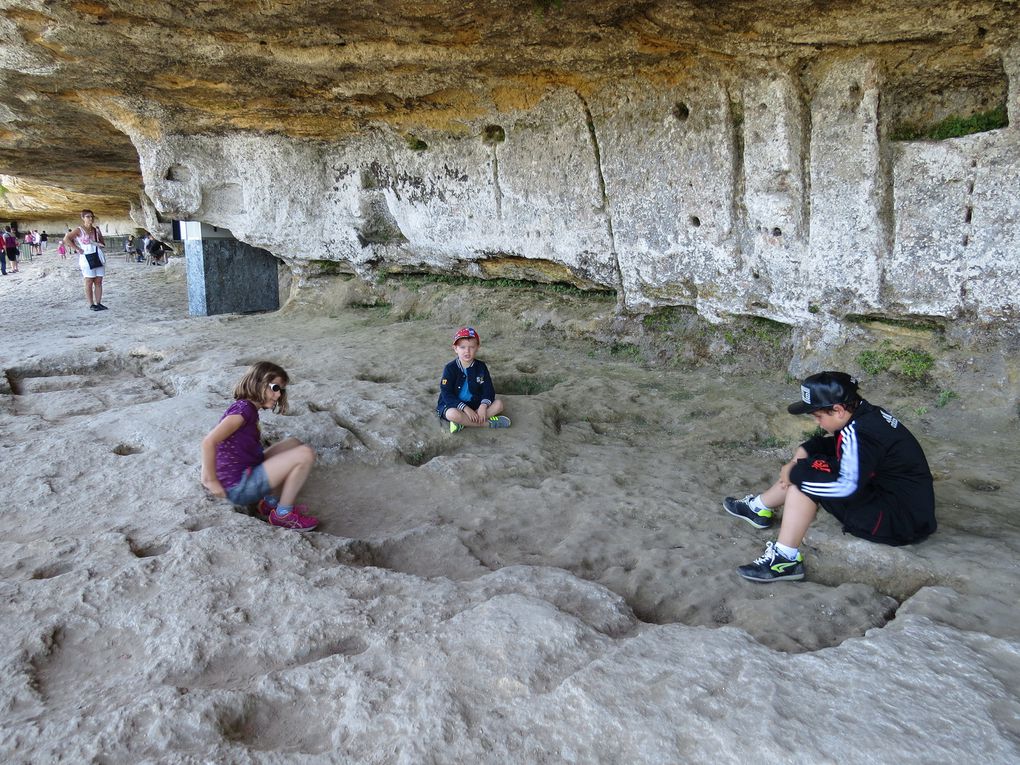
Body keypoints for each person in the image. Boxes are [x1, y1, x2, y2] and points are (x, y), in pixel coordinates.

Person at [724, 371, 936, 583]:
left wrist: (797, 474)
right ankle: (758, 507)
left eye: (818, 416)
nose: (818, 423)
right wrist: (806, 449)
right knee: (809, 463)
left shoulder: (861, 433)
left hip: (896, 522)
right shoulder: (866, 416)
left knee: (804, 482)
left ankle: (784, 560)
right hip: (908, 510)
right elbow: (843, 448)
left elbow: (846, 487)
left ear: (838, 410)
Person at [201, 361, 320, 531]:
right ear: (258, 383)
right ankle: (283, 515)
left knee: (293, 444)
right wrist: (210, 480)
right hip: (238, 486)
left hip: (245, 470)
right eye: (275, 388)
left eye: (281, 390)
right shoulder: (244, 411)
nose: (278, 395)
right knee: (305, 454)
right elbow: (208, 442)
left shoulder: (246, 408)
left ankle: (268, 503)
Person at [436, 326, 511, 433]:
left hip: (475, 404)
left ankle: (463, 422)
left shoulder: (481, 366)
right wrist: (465, 409)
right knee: (452, 414)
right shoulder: (450, 368)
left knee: (499, 405)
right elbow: (446, 393)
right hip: (454, 405)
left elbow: (488, 389)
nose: (467, 351)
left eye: (471, 347)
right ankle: (486, 423)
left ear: (477, 347)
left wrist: (483, 406)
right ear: (455, 348)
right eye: (462, 347)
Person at [63, 209, 108, 311]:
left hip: (97, 254)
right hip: (86, 255)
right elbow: (67, 239)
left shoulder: (96, 230)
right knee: (89, 280)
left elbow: (102, 243)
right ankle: (91, 304)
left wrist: (99, 236)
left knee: (98, 280)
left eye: (92, 216)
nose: (90, 218)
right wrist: (77, 249)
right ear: (83, 218)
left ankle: (99, 302)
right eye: (88, 217)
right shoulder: (79, 230)